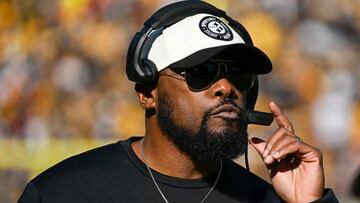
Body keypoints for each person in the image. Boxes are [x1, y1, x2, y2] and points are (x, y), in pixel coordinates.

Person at [18, 1, 338, 202]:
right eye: (201, 72)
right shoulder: (62, 192)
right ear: (147, 93)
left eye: (239, 74)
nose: (225, 87)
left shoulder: (269, 198)